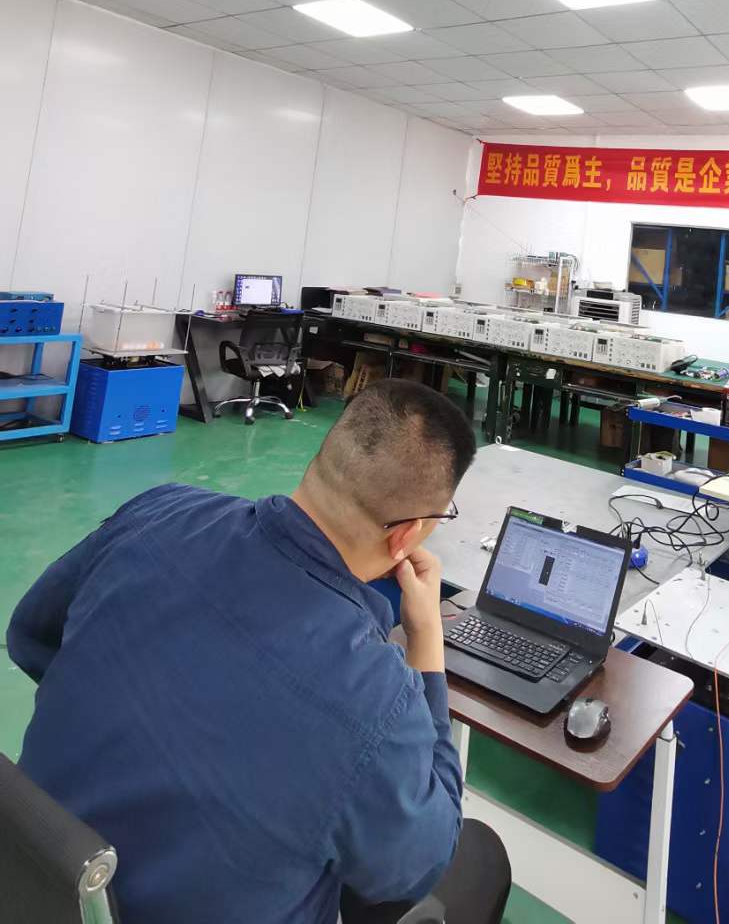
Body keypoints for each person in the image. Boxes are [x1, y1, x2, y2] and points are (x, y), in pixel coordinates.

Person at [7, 379, 510, 924]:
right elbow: (415, 868)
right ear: (406, 536)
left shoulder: (157, 512)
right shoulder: (372, 701)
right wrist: (426, 639)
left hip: (38, 885)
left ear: (321, 460)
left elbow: (31, 635)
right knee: (479, 859)